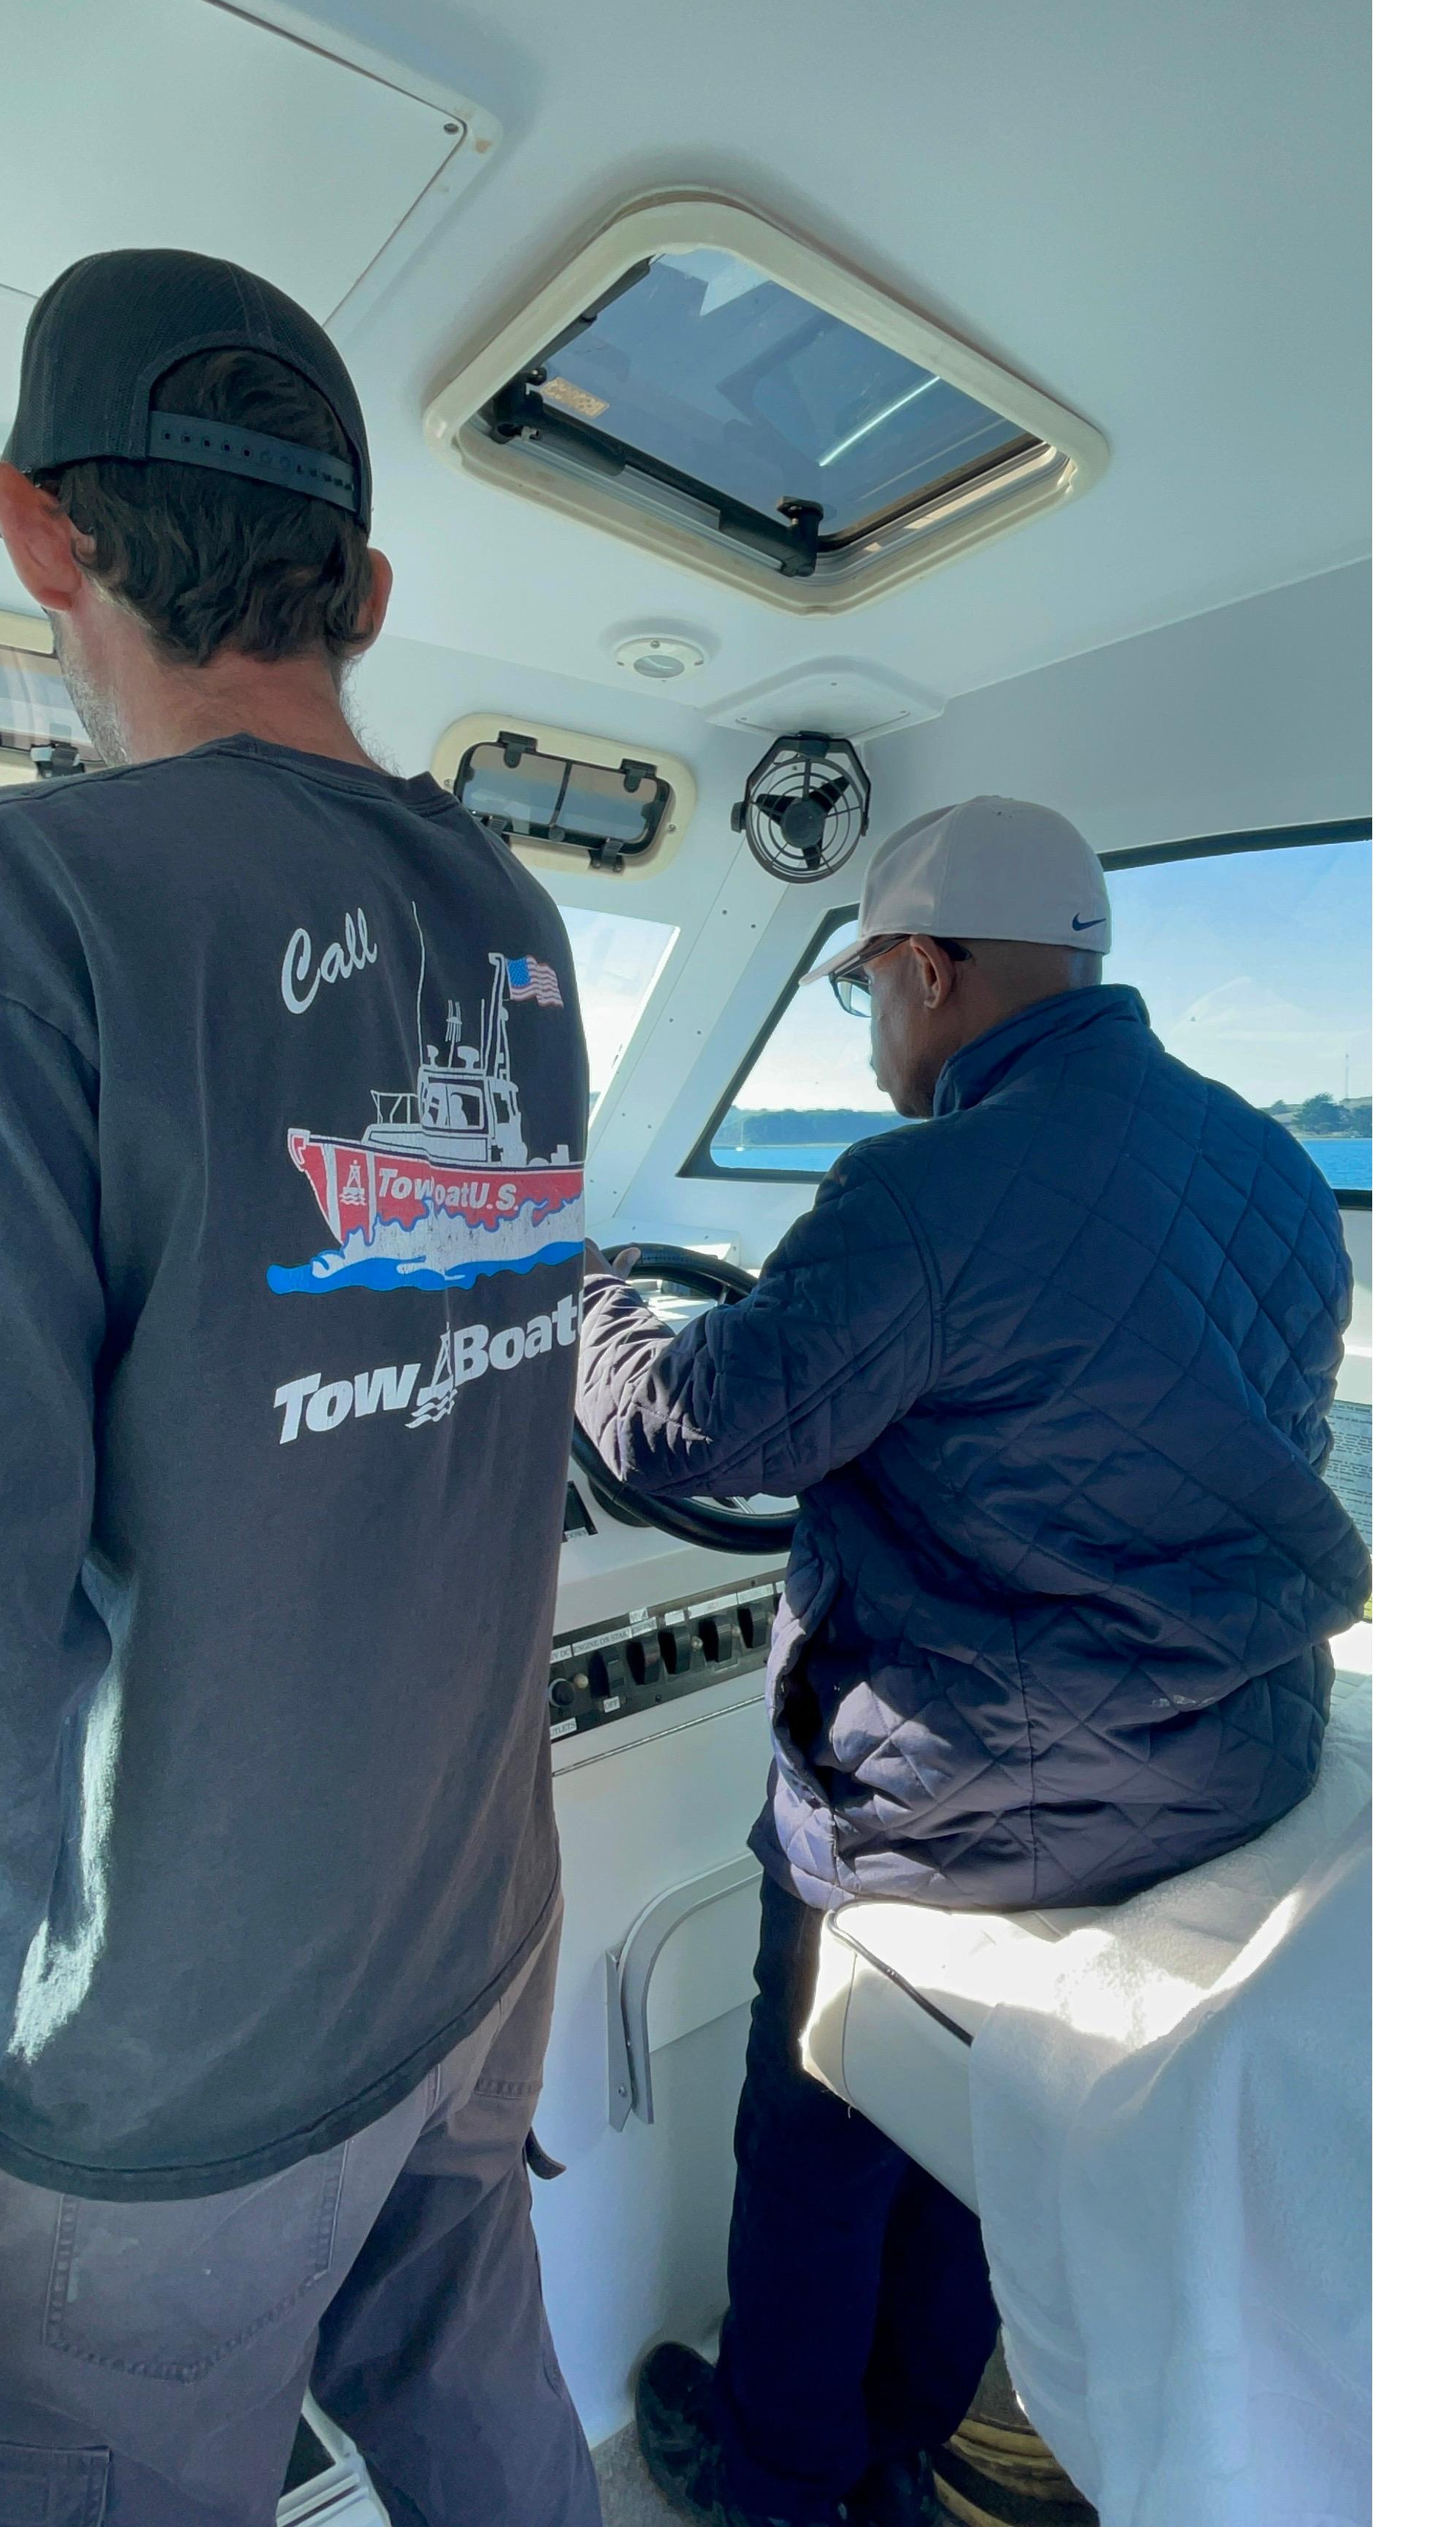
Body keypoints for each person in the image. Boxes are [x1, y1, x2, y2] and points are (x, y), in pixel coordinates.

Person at [0, 247, 603, 2527]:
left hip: (170, 2075)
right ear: (370, 592)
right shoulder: (519, 929)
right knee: (490, 2423)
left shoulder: (1, 916)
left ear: (35, 528)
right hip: (477, 1932)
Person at [571, 796, 1371, 2527]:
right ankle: (910, 2444)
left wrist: (596, 1311)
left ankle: (785, 2476)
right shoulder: (1274, 1171)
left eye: (869, 990)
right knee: (976, 2155)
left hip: (969, 1811)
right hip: (1224, 1772)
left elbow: (690, 1429)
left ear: (932, 969)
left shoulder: (917, 1188)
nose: (870, 1034)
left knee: (814, 2138)